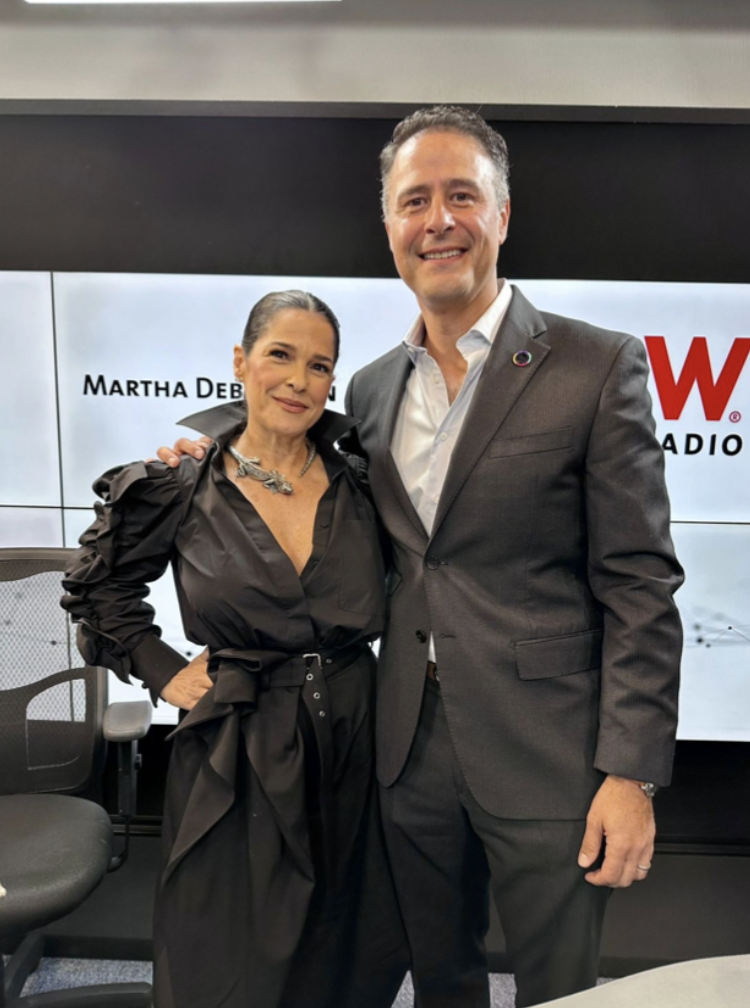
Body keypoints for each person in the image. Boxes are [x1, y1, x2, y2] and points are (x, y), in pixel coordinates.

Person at [157, 107, 684, 1008]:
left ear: (502, 214)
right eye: (414, 201)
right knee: (440, 977)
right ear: (391, 228)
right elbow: (288, 455)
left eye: (461, 196)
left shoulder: (598, 367)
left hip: (548, 752)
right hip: (402, 748)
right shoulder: (366, 387)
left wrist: (630, 772)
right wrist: (203, 455)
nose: (438, 220)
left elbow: (640, 583)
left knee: (561, 988)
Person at [61, 290, 408, 1008]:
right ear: (241, 362)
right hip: (240, 745)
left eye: (320, 366)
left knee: (350, 939)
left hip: (358, 733)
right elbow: (98, 592)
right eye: (280, 354)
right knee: (229, 952)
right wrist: (166, 674)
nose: (298, 380)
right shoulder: (181, 484)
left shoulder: (362, 481)